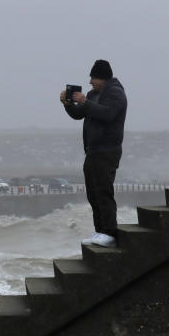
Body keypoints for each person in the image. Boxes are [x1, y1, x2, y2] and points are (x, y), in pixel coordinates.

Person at [60, 59, 127, 248]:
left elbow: (108, 114)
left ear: (103, 78)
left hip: (107, 150)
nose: (90, 81)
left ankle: (110, 232)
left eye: (93, 78)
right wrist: (68, 104)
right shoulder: (93, 94)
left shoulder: (115, 93)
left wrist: (85, 101)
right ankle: (100, 231)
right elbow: (79, 114)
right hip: (92, 150)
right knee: (93, 193)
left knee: (103, 192)